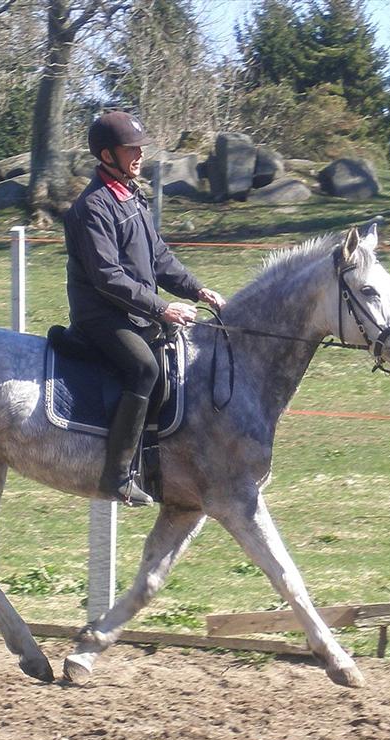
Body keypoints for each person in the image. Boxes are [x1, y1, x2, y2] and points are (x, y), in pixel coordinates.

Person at [64, 111, 226, 507]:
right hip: (102, 315)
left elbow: (158, 257)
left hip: (133, 311)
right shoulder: (92, 208)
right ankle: (115, 475)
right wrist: (161, 308)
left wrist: (196, 290)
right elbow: (108, 278)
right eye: (130, 149)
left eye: (140, 148)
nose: (139, 155)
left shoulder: (131, 197)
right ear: (106, 155)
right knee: (144, 368)